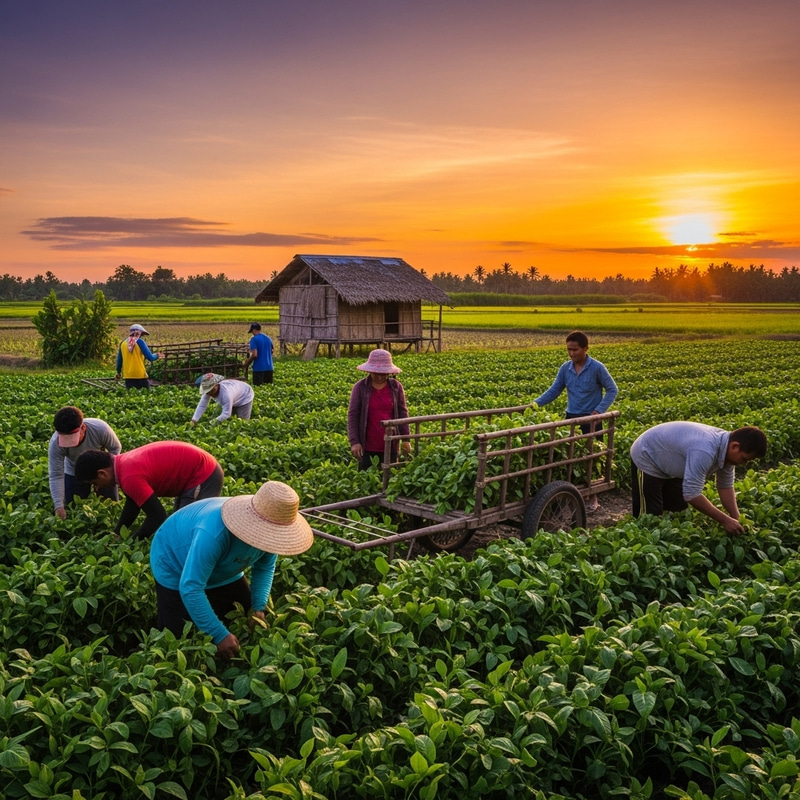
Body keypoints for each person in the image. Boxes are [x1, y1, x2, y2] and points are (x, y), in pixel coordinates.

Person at [150, 480, 313, 659]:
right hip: (173, 562)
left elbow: (264, 566)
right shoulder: (214, 532)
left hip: (225, 568)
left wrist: (258, 607)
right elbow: (191, 586)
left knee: (240, 618)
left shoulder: (271, 533)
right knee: (180, 642)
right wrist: (218, 634)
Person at [630, 422, 767, 535]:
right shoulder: (705, 450)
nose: (743, 463)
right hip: (648, 455)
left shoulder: (728, 453)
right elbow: (692, 495)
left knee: (678, 512)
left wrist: (736, 517)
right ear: (735, 446)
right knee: (649, 517)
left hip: (673, 462)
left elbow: (725, 486)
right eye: (744, 459)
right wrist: (724, 520)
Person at [533, 331, 618, 511]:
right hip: (571, 419)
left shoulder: (597, 368)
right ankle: (571, 496)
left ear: (585, 348)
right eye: (569, 350)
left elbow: (612, 390)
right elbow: (554, 390)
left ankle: (592, 498)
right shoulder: (566, 368)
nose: (572, 353)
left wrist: (598, 412)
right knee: (568, 459)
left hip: (591, 420)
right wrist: (534, 404)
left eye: (575, 350)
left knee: (591, 459)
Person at [74, 441, 224, 540]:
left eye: (95, 483)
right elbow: (133, 504)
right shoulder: (122, 465)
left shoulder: (129, 476)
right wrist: (117, 532)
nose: (96, 488)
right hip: (196, 470)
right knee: (178, 525)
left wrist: (133, 541)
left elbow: (157, 515)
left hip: (204, 474)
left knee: (184, 531)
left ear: (102, 473)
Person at [47, 405, 121, 519]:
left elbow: (115, 448)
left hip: (100, 469)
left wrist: (105, 474)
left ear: (83, 428)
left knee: (110, 507)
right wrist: (59, 506)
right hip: (73, 471)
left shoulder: (100, 429)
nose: (70, 444)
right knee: (74, 509)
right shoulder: (55, 443)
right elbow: (56, 475)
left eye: (72, 438)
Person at [347, 348, 411, 470]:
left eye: (384, 374)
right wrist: (354, 442)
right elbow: (353, 415)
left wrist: (406, 439)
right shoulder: (360, 388)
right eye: (376, 373)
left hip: (390, 443)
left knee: (389, 479)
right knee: (367, 481)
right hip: (367, 445)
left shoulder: (396, 387)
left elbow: (403, 413)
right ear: (370, 371)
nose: (380, 377)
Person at [116, 324, 163, 390]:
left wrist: (118, 372)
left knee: (131, 397)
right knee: (147, 395)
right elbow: (150, 357)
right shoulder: (140, 342)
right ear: (139, 333)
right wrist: (157, 355)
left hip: (128, 376)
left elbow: (119, 362)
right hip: (140, 375)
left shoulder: (123, 343)